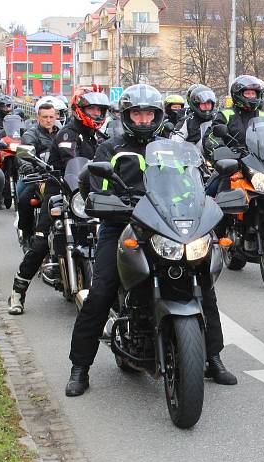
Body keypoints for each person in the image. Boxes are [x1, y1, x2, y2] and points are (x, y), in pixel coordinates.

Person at [64, 83, 237, 397]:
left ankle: (213, 357)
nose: (143, 119)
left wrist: (197, 201)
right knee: (101, 291)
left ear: (157, 116)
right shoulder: (110, 149)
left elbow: (190, 181)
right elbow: (91, 184)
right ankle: (80, 368)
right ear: (127, 115)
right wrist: (105, 202)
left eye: (149, 114)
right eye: (137, 113)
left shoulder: (174, 148)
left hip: (167, 224)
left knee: (203, 284)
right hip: (122, 224)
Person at [7, 87, 110, 315]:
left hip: (86, 196)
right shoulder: (66, 134)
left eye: (99, 110)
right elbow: (72, 161)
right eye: (91, 109)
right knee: (41, 242)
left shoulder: (100, 138)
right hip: (61, 191)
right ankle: (17, 292)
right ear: (79, 110)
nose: (96, 114)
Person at [203, 74, 264, 195]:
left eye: (253, 93)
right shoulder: (225, 115)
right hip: (233, 165)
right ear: (238, 94)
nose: (251, 96)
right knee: (211, 190)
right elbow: (211, 137)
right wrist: (222, 151)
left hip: (262, 165)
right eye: (247, 93)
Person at [15, 98, 60, 246]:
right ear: (38, 118)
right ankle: (27, 235)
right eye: (45, 117)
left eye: (51, 117)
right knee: (24, 200)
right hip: (38, 176)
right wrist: (27, 165)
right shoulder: (31, 134)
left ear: (56, 117)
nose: (48, 120)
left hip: (59, 177)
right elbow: (24, 153)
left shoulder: (62, 133)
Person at [174, 84, 217, 150]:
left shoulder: (218, 119)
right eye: (203, 104)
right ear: (196, 104)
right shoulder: (188, 121)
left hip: (214, 157)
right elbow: (175, 141)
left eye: (208, 103)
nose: (206, 106)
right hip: (193, 158)